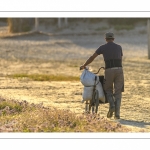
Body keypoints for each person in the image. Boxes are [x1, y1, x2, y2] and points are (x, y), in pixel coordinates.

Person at [80, 32, 124, 119]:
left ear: (106, 39)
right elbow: (120, 59)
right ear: (113, 39)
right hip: (119, 70)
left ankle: (111, 105)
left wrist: (84, 65)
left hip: (109, 71)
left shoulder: (102, 47)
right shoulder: (119, 47)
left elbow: (92, 57)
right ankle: (117, 114)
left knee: (108, 89)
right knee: (118, 92)